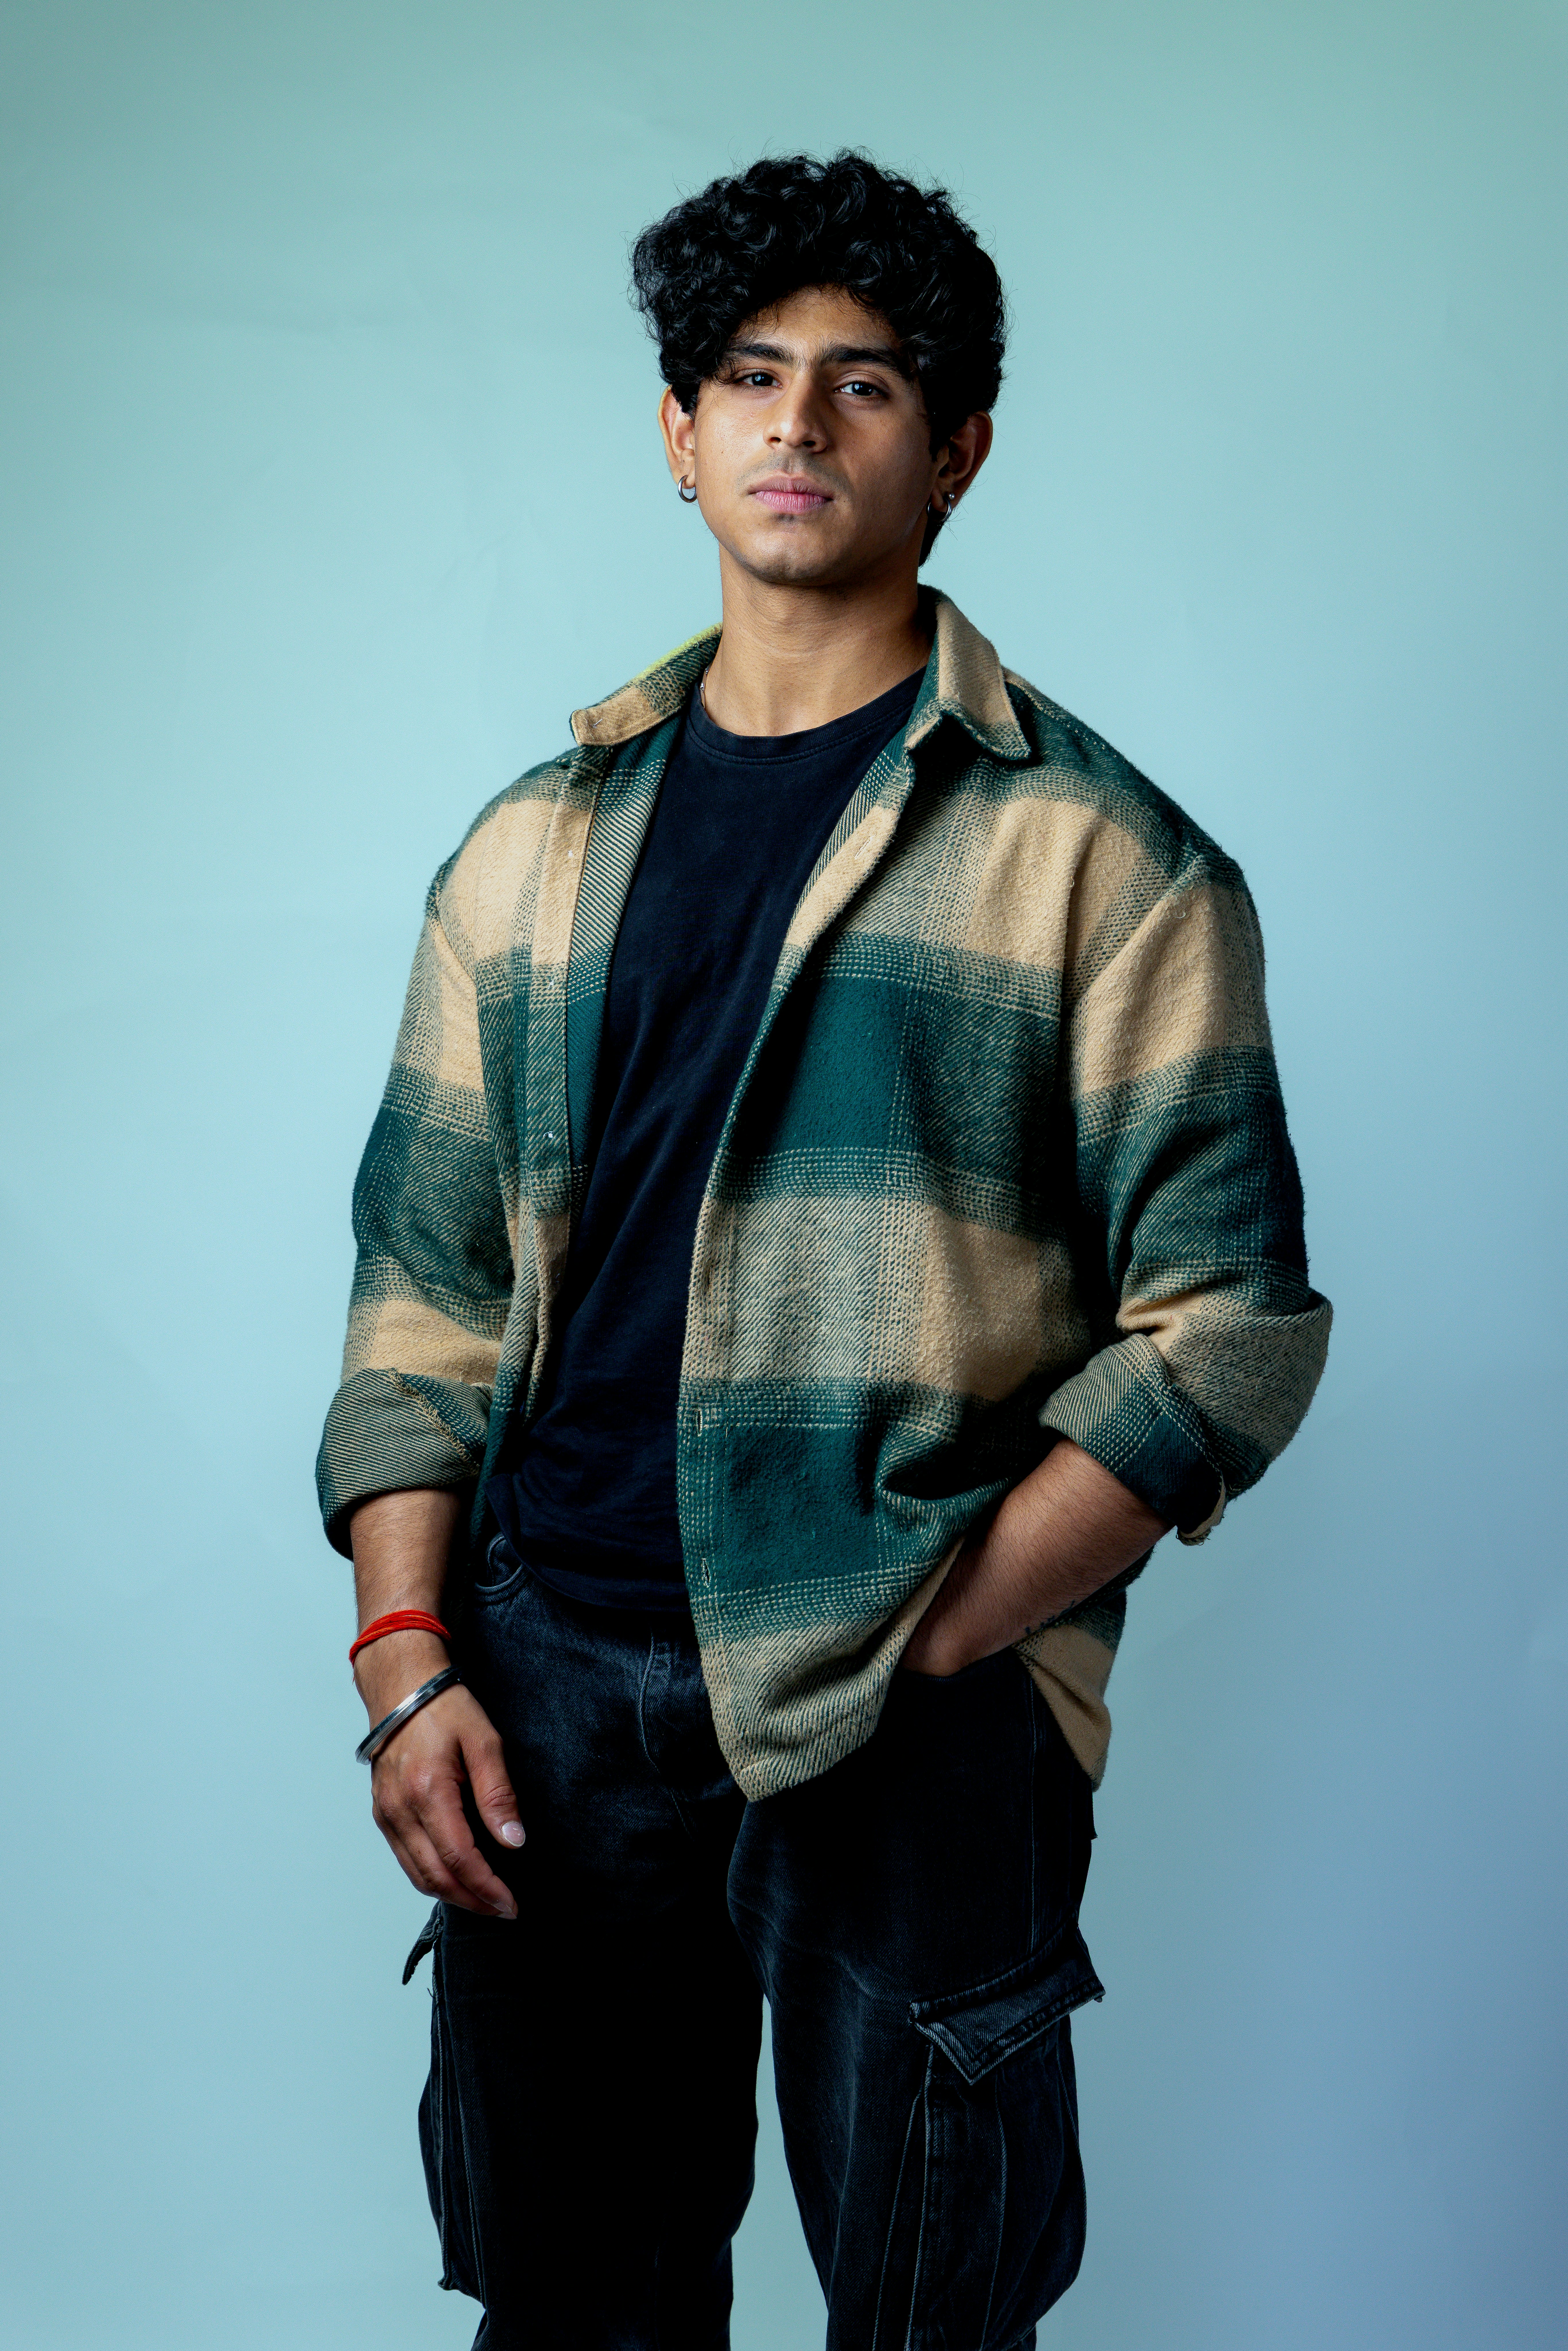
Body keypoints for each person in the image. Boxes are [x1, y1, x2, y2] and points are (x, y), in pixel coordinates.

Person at [317, 151, 1331, 2351]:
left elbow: (1228, 1331)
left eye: (862, 385)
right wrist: (409, 1663)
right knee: (574, 2307)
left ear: (954, 449)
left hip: (909, 1712)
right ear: (674, 432)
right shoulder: (525, 854)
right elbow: (421, 1307)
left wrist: (948, 1630)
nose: (796, 425)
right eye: (747, 378)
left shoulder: (1105, 860)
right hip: (544, 1687)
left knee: (928, 2317)